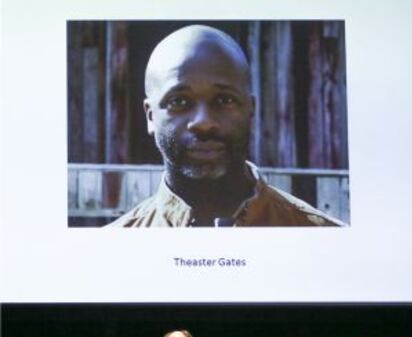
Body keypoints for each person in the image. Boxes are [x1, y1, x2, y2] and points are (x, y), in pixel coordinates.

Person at [107, 24, 343, 227]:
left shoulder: (324, 239)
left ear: (250, 109)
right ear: (150, 116)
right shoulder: (111, 250)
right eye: (179, 101)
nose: (204, 122)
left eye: (224, 100)